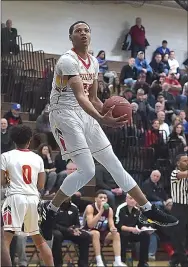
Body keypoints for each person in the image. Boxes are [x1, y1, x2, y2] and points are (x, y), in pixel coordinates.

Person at [40, 21, 178, 241]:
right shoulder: (67, 60)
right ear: (71, 37)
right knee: (87, 170)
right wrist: (102, 118)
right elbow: (80, 96)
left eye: (86, 30)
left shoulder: (93, 61)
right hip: (64, 113)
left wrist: (109, 114)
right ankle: (50, 209)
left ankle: (148, 210)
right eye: (78, 31)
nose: (83, 33)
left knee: (114, 163)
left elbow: (94, 98)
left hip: (84, 113)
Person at [1, 125, 54, 266]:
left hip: (15, 198)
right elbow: (41, 185)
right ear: (30, 140)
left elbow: (1, 181)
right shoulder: (37, 158)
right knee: (39, 239)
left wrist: (9, 179)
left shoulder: (6, 156)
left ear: (13, 140)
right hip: (33, 199)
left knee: (4, 241)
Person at [83, 190, 126, 266]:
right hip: (89, 232)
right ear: (96, 199)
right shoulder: (90, 207)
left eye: (105, 198)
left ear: (107, 200)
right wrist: (100, 212)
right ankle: (99, 261)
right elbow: (90, 225)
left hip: (103, 232)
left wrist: (113, 228)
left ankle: (117, 261)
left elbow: (111, 224)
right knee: (96, 233)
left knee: (116, 234)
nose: (103, 199)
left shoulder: (109, 210)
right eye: (101, 197)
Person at [169, 154, 188, 267]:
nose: (187, 162)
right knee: (178, 234)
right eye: (185, 161)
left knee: (184, 235)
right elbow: (183, 175)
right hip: (178, 207)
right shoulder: (174, 173)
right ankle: (184, 261)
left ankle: (175, 260)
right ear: (178, 163)